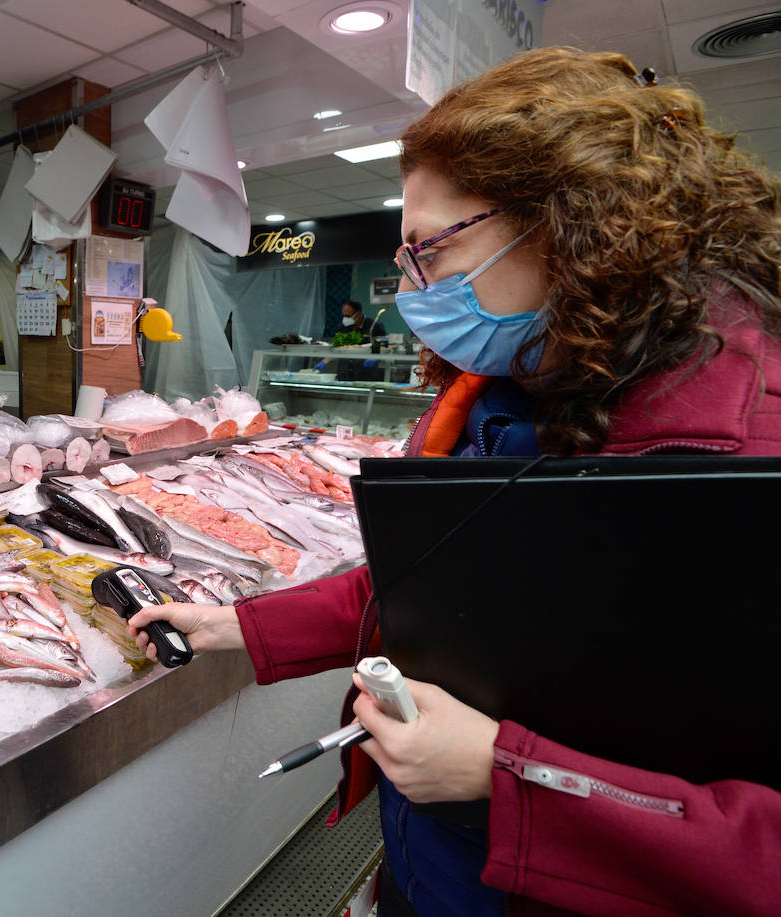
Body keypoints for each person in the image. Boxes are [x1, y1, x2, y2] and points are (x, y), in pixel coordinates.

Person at [128, 47, 781, 916]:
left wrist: (510, 777)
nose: (411, 289)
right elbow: (436, 586)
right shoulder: (516, 388)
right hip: (439, 868)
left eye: (428, 251)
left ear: (572, 223)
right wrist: (237, 624)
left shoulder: (749, 442)